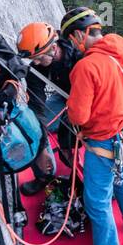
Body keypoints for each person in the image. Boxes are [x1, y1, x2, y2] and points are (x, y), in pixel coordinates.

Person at [56, 7, 123, 245]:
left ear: (79, 35)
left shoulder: (87, 67)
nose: (72, 45)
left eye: (71, 40)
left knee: (96, 201)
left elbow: (78, 115)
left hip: (102, 139)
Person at [16, 21, 81, 195]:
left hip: (86, 99)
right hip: (64, 96)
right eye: (32, 59)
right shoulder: (37, 69)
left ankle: (87, 174)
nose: (35, 62)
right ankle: (44, 176)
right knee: (32, 128)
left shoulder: (78, 53)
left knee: (72, 137)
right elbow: (37, 109)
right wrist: (42, 146)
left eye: (38, 57)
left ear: (53, 48)